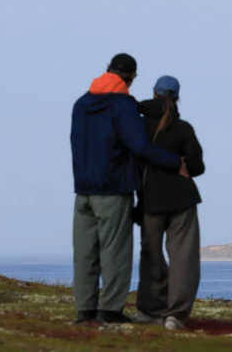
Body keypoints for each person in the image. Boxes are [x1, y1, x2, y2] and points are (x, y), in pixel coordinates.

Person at [70, 54, 189, 324]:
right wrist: (174, 162)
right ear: (132, 77)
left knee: (85, 253)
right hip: (112, 189)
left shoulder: (81, 104)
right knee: (114, 252)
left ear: (107, 71)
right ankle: (110, 311)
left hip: (83, 191)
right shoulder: (123, 106)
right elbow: (140, 146)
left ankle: (85, 311)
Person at [133, 75, 205, 330]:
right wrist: (180, 163)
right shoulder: (183, 128)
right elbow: (197, 167)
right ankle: (175, 315)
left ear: (153, 93)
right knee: (182, 256)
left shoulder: (138, 126)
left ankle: (150, 310)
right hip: (182, 199)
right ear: (177, 97)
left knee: (150, 253)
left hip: (149, 199)